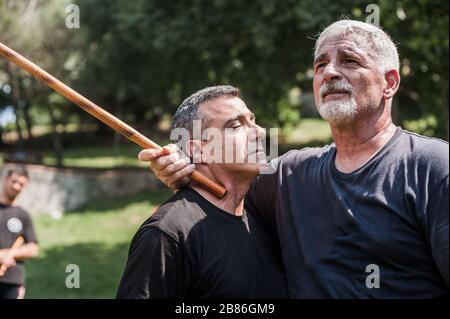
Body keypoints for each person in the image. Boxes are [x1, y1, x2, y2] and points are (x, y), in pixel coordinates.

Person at [138, 20, 449, 298]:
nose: (329, 73)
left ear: (389, 82)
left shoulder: (433, 167)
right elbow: (215, 194)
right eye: (320, 65)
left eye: (349, 60)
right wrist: (182, 166)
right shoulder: (288, 176)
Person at [116, 86, 287, 299]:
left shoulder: (262, 215)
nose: (259, 132)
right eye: (236, 125)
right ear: (198, 149)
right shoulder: (168, 233)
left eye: (252, 120)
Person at [0, 166, 39, 299]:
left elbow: (33, 249)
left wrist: (8, 254)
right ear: (5, 179)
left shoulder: (23, 215)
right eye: (14, 181)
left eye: (21, 184)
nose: (16, 186)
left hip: (12, 281)